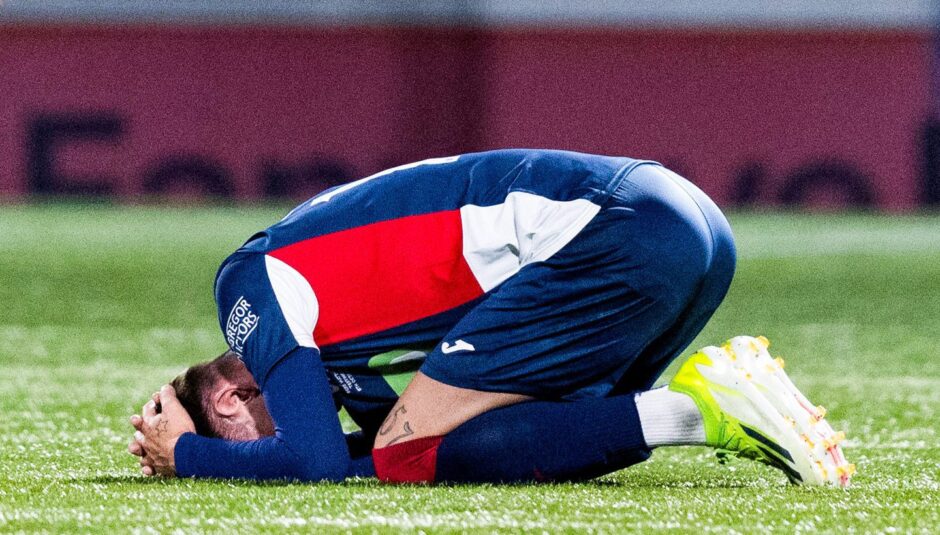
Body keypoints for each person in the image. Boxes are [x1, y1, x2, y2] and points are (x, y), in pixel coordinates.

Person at [128, 149, 852, 486]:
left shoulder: (245, 289)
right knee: (554, 429)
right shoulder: (348, 367)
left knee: (406, 457)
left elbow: (313, 461)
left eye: (243, 435)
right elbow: (360, 449)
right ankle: (701, 403)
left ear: (229, 394)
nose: (267, 443)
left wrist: (187, 453)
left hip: (612, 230)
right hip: (681, 218)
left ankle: (693, 411)